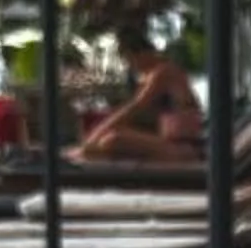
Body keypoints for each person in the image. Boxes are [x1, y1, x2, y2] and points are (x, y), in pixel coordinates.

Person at [77, 18, 202, 163]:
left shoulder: (163, 72)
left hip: (182, 145)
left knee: (113, 140)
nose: (130, 66)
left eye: (129, 60)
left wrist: (95, 135)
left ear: (138, 54)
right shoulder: (151, 75)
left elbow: (135, 107)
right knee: (107, 141)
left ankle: (177, 156)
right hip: (168, 139)